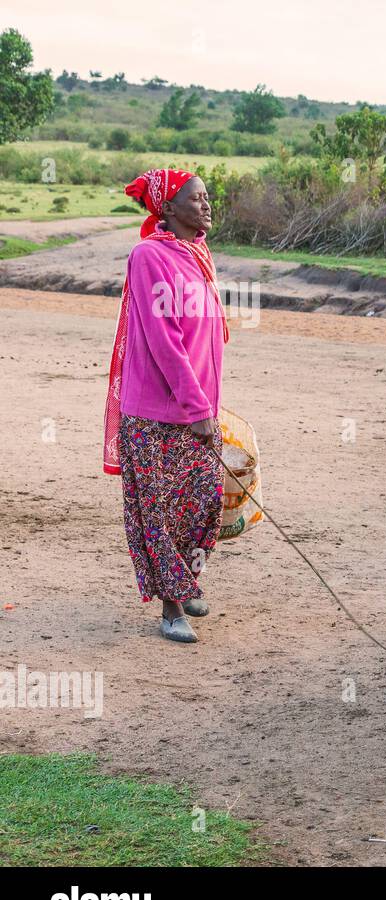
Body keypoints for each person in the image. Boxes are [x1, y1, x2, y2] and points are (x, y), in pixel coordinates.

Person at [103, 168, 229, 643]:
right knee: (159, 513)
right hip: (154, 412)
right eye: (196, 199)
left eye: (207, 197)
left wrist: (206, 405)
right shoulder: (148, 256)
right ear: (169, 210)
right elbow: (164, 341)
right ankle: (171, 607)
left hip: (197, 406)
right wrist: (197, 407)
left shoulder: (197, 253)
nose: (206, 204)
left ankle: (187, 579)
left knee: (204, 503)